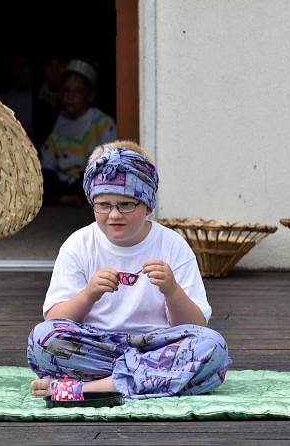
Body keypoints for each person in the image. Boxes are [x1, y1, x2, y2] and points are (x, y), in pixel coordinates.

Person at [27, 141, 231, 399]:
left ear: (147, 205)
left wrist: (172, 290)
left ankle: (92, 389)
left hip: (158, 346)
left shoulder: (172, 245)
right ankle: (148, 380)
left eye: (126, 205)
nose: (114, 215)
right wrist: (89, 294)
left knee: (213, 346)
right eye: (104, 205)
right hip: (97, 349)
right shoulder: (78, 244)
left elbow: (196, 325)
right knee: (42, 339)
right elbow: (55, 320)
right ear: (92, 203)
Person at [39, 59, 115, 206]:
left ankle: (68, 198)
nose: (70, 97)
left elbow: (108, 161)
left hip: (86, 178)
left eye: (78, 92)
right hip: (61, 180)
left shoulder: (102, 122)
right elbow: (47, 161)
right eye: (66, 91)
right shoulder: (57, 120)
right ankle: (64, 198)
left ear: (90, 95)